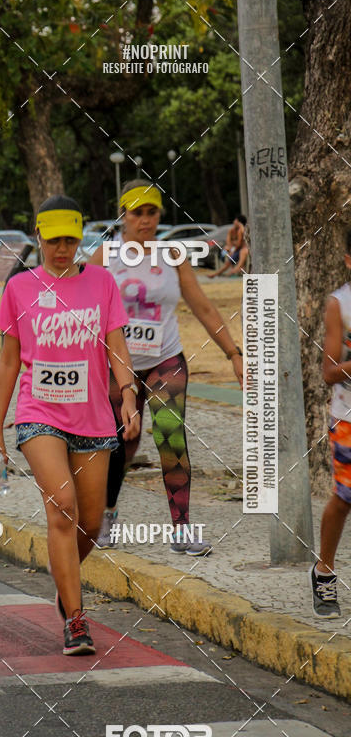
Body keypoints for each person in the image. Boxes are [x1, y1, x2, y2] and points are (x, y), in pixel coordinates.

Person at [0, 195, 140, 655]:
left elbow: (116, 348)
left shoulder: (102, 284)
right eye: (54, 241)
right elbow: (9, 364)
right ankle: (76, 618)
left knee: (89, 522)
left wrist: (127, 394)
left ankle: (64, 584)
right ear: (39, 237)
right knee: (63, 507)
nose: (63, 248)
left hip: (93, 419)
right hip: (39, 415)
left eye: (71, 239)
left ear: (80, 237)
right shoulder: (20, 289)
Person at [89, 179, 244, 556]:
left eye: (151, 212)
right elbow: (82, 310)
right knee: (120, 443)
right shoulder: (104, 257)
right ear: (123, 215)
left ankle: (182, 529)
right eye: (136, 213)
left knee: (171, 440)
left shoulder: (172, 256)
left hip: (165, 358)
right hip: (117, 364)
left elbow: (203, 307)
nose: (145, 220)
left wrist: (234, 354)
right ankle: (106, 515)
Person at [309, 250, 351, 619]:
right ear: (348, 260)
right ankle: (324, 571)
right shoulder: (340, 303)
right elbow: (330, 371)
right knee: (345, 497)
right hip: (348, 417)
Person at [208, 215, 248, 279]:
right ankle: (217, 274)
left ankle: (233, 271)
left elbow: (239, 243)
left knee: (232, 261)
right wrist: (232, 248)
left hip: (239, 250)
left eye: (235, 220)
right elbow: (228, 242)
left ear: (238, 222)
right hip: (234, 250)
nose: (233, 222)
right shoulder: (232, 230)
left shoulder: (241, 230)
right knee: (226, 255)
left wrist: (233, 249)